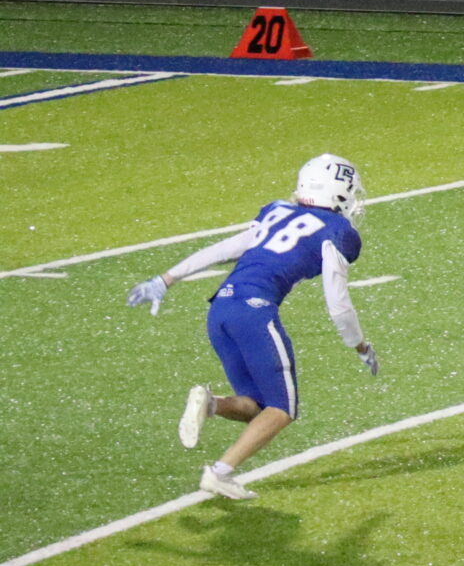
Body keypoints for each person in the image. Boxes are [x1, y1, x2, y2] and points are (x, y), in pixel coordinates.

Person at [123, 154, 379, 500]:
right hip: (254, 312)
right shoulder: (336, 231)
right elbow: (338, 303)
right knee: (283, 409)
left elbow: (222, 250)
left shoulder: (277, 212)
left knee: (258, 407)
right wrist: (360, 345)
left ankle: (210, 404)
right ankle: (219, 473)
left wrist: (166, 279)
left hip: (220, 310)